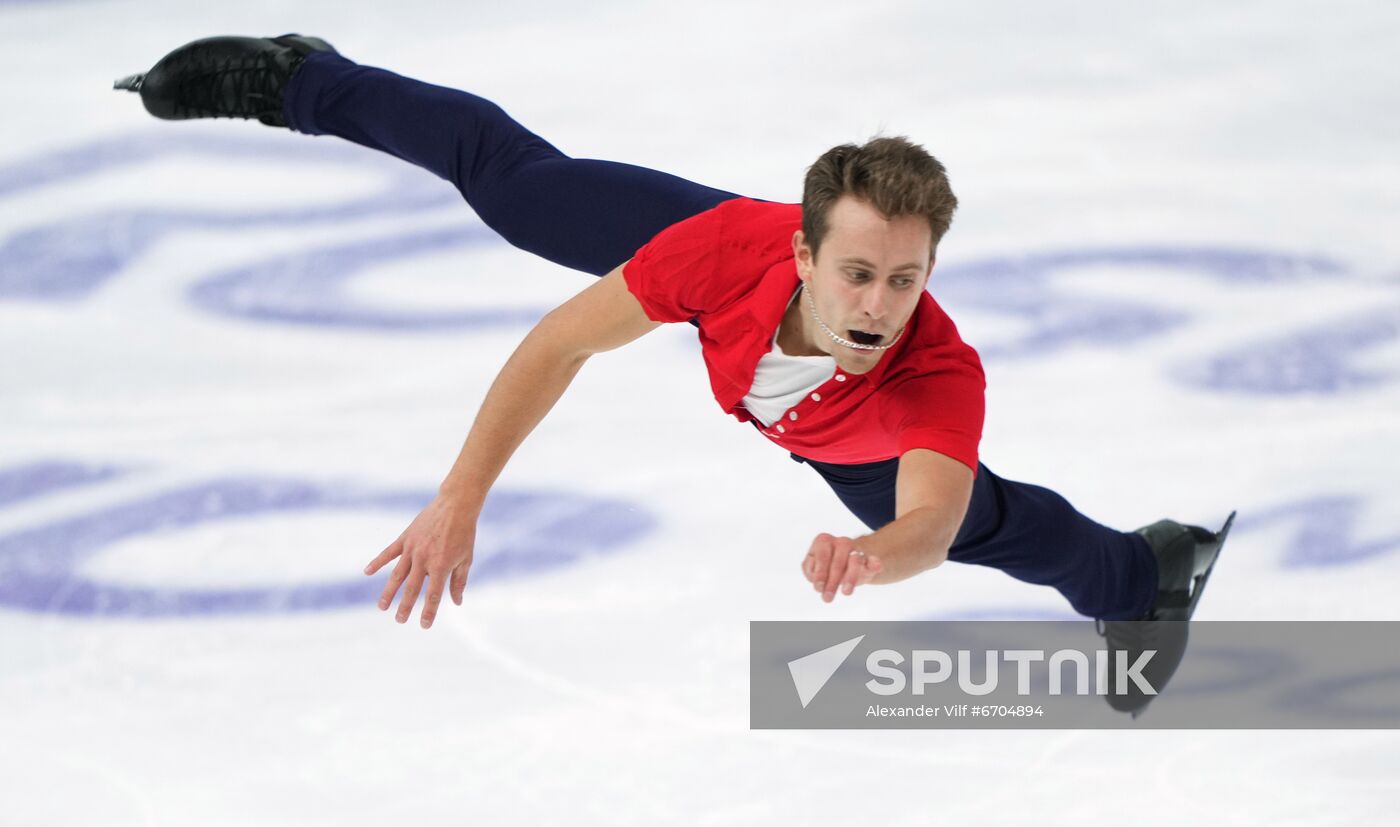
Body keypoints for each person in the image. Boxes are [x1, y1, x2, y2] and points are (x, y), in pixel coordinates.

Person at [115, 34, 1232, 716]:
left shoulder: (931, 377)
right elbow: (557, 342)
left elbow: (931, 523)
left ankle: (1143, 577)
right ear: (802, 253)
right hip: (730, 286)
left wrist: (869, 552)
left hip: (844, 445)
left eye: (904, 278)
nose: (876, 307)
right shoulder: (722, 253)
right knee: (520, 192)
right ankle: (302, 79)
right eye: (853, 272)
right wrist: (461, 495)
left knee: (988, 522)